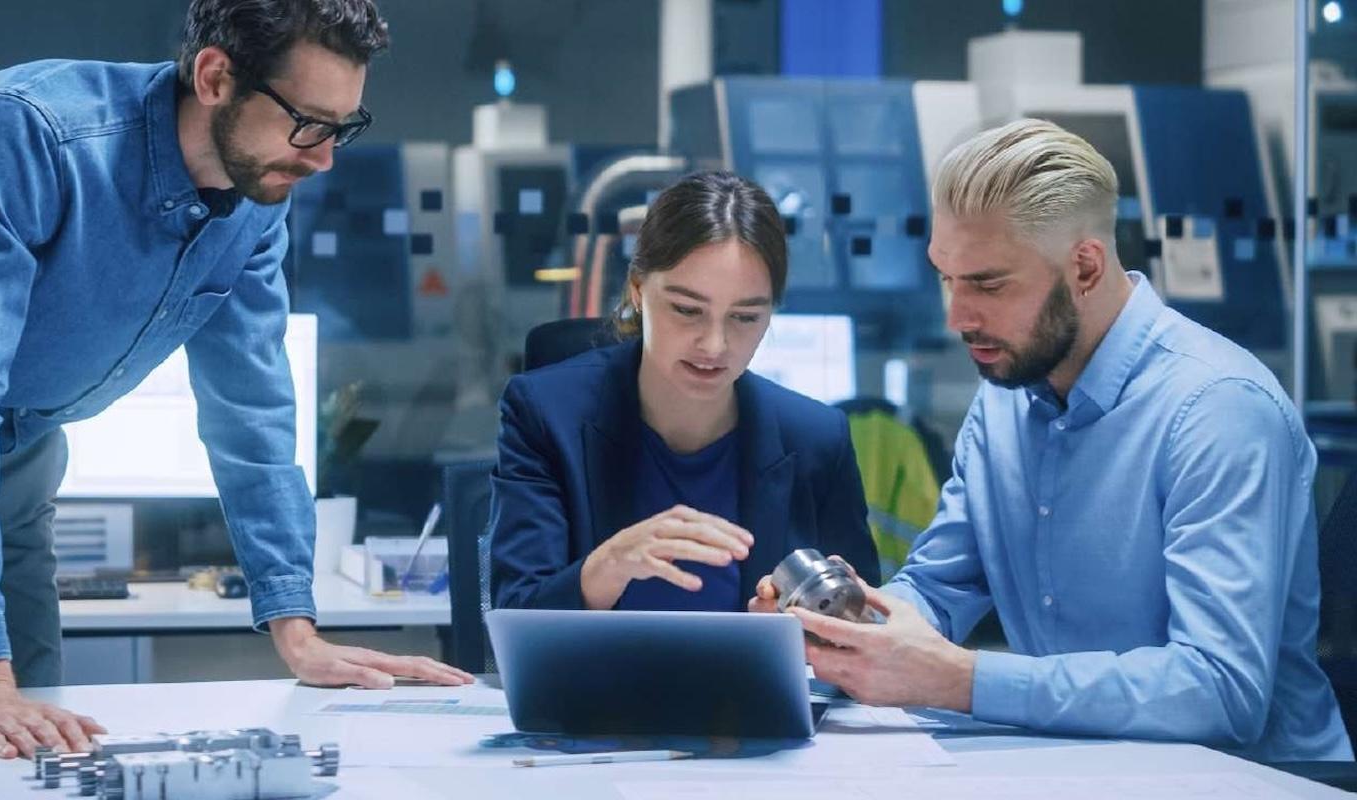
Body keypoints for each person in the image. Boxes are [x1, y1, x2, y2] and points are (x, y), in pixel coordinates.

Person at [0, 1, 471, 795]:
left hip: (22, 449)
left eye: (343, 128)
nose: (324, 159)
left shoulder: (258, 192)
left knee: (40, 751)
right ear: (215, 76)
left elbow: (253, 413)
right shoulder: (27, 136)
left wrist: (296, 629)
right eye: (307, 124)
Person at [750, 118, 1352, 763]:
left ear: (1085, 267)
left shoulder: (1218, 409)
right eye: (947, 277)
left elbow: (1220, 693)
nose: (957, 316)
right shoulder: (1004, 400)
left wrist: (958, 679)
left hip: (1251, 781)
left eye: (987, 284)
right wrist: (841, 627)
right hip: (1081, 765)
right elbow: (941, 587)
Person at [489, 170, 878, 614]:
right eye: (687, 310)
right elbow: (516, 614)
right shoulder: (544, 415)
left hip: (750, 665)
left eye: (745, 317)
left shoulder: (817, 438)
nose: (715, 345)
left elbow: (864, 627)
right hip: (594, 664)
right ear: (638, 290)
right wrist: (610, 564)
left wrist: (799, 632)